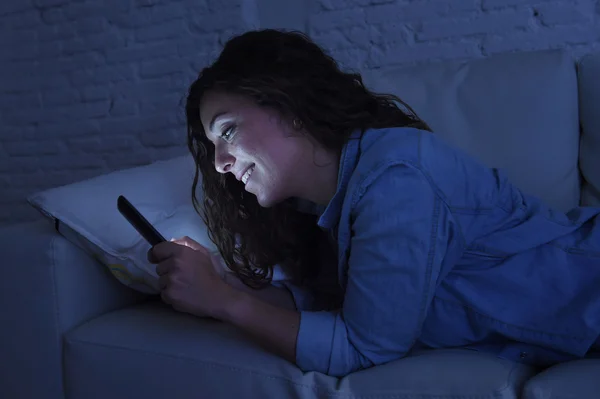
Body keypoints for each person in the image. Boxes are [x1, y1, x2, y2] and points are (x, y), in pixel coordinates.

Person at [148, 28, 600, 377]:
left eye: (227, 131)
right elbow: (329, 305)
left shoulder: (396, 176)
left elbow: (364, 347)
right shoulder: (324, 206)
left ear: (289, 104)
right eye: (212, 148)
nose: (221, 163)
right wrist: (217, 282)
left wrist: (227, 302)